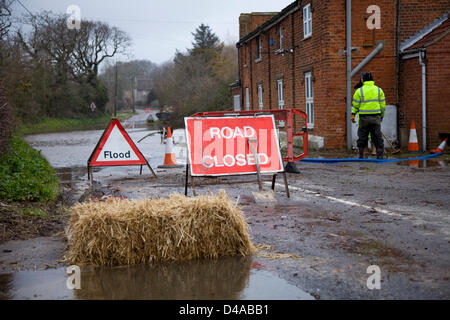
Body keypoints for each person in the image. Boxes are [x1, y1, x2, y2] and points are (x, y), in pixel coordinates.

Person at [351, 72, 386, 159]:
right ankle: (379, 156)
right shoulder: (379, 90)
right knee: (377, 136)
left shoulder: (359, 91)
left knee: (362, 137)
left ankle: (361, 155)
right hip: (376, 117)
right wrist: (381, 116)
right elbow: (382, 106)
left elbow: (355, 105)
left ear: (363, 80)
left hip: (364, 118)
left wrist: (353, 114)